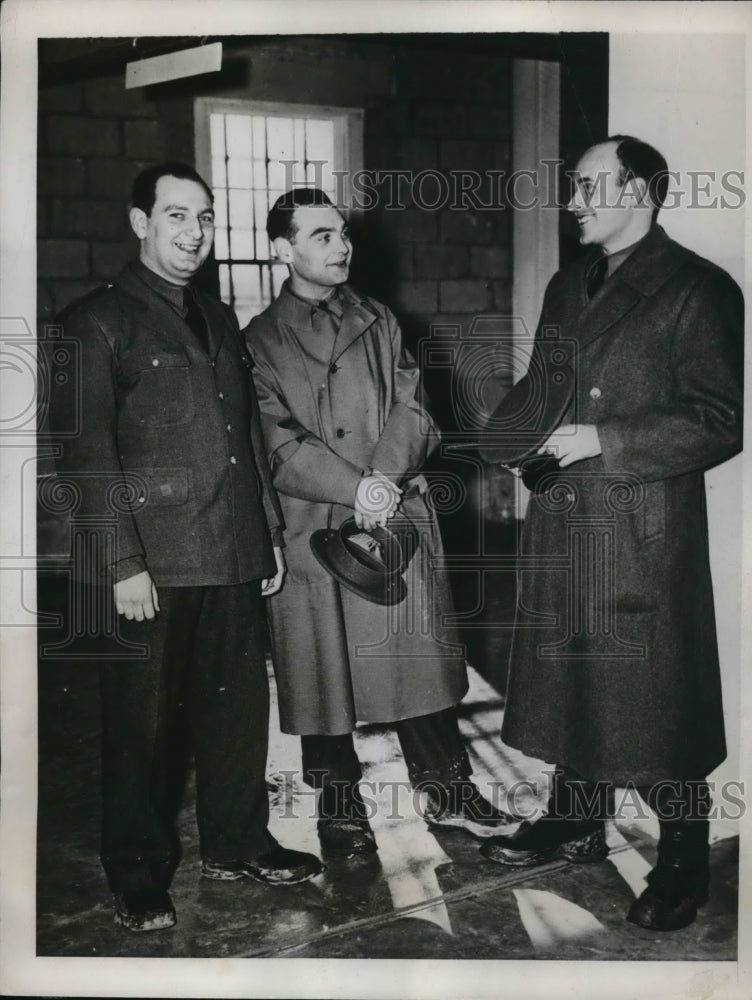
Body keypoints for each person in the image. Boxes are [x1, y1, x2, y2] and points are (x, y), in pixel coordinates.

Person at [47, 163, 323, 933]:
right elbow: (87, 456)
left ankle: (238, 842)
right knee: (141, 727)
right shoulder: (92, 322)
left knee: (237, 715)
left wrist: (264, 533)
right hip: (151, 567)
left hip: (230, 550)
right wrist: (122, 562)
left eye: (202, 217)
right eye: (176, 216)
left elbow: (244, 439)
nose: (194, 232)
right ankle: (137, 870)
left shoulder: (218, 317)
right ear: (141, 223)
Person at [479, 136, 743, 932]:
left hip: (642, 530)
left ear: (642, 193)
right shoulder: (569, 284)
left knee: (658, 701)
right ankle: (575, 818)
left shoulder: (698, 289)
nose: (574, 201)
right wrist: (492, 440)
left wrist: (604, 440)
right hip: (566, 517)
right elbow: (542, 386)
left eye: (590, 186)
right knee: (574, 683)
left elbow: (718, 419)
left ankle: (682, 861)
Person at [243, 188, 517, 859]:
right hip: (315, 528)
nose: (341, 246)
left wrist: (381, 484)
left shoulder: (379, 319)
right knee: (322, 680)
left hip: (390, 518)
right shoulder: (254, 342)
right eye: (321, 236)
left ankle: (449, 794)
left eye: (342, 233)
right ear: (283, 249)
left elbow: (415, 409)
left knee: (416, 666)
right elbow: (274, 439)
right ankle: (341, 815)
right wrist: (351, 486)